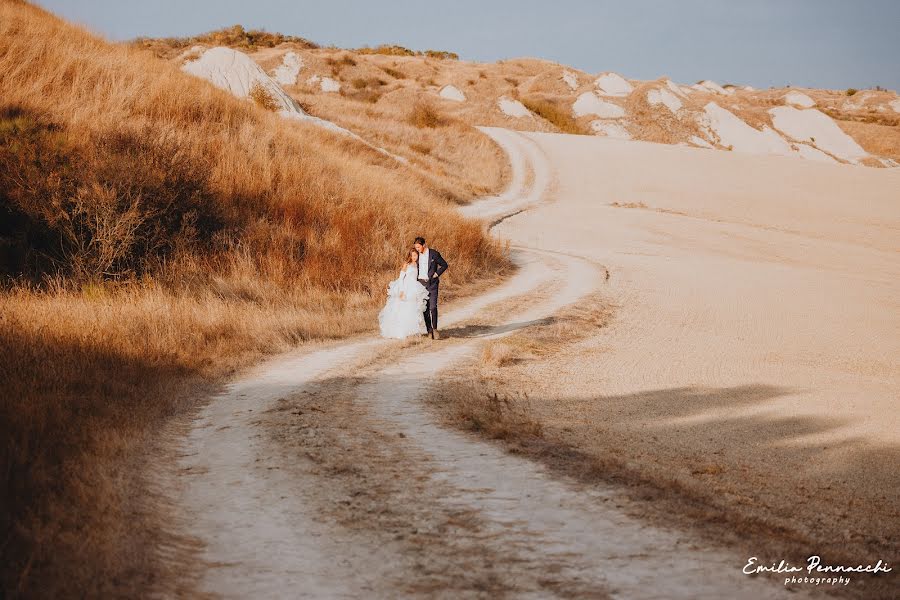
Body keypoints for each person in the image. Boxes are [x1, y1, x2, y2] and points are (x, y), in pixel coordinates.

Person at [378, 248, 430, 339]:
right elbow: (401, 277)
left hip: (414, 287)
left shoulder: (418, 265)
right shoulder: (407, 264)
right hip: (406, 287)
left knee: (413, 308)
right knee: (403, 308)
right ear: (410, 256)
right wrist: (401, 290)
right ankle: (401, 331)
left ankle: (413, 330)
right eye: (412, 255)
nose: (414, 257)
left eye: (416, 255)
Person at [413, 236, 448, 339]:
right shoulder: (416, 255)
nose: (417, 249)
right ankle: (429, 330)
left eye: (419, 247)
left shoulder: (434, 254)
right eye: (416, 247)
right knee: (425, 309)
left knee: (433, 307)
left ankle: (435, 329)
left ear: (424, 245)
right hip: (421, 285)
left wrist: (437, 274)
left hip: (432, 284)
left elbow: (444, 265)